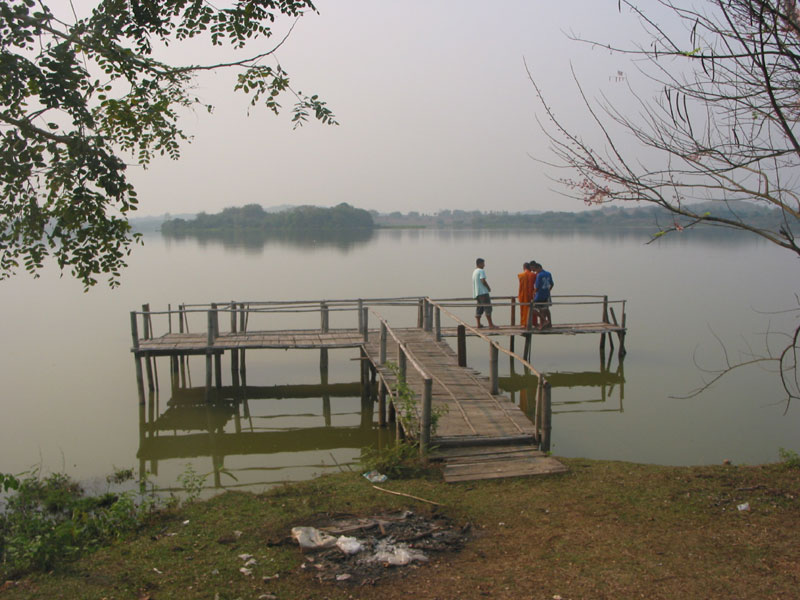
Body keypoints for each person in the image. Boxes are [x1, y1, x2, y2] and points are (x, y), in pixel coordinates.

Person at [472, 257, 496, 328]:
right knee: (488, 308)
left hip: (477, 293)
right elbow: (483, 281)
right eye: (483, 263)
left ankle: (478, 324)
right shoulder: (481, 271)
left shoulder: (474, 271)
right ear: (479, 264)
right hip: (483, 292)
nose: (484, 265)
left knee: (479, 308)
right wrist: (488, 288)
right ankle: (491, 324)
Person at [531, 261, 554, 330]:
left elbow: (537, 287)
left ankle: (544, 321)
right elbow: (552, 284)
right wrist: (548, 291)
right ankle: (548, 324)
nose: (535, 272)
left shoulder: (539, 275)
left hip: (539, 296)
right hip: (546, 295)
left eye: (535, 270)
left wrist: (533, 293)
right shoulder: (548, 273)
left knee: (532, 309)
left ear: (538, 268)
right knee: (545, 309)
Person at [517, 262, 536, 328]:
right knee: (532, 308)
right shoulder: (533, 275)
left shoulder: (520, 275)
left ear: (524, 267)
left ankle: (524, 323)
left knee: (523, 309)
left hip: (522, 295)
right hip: (531, 295)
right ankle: (533, 323)